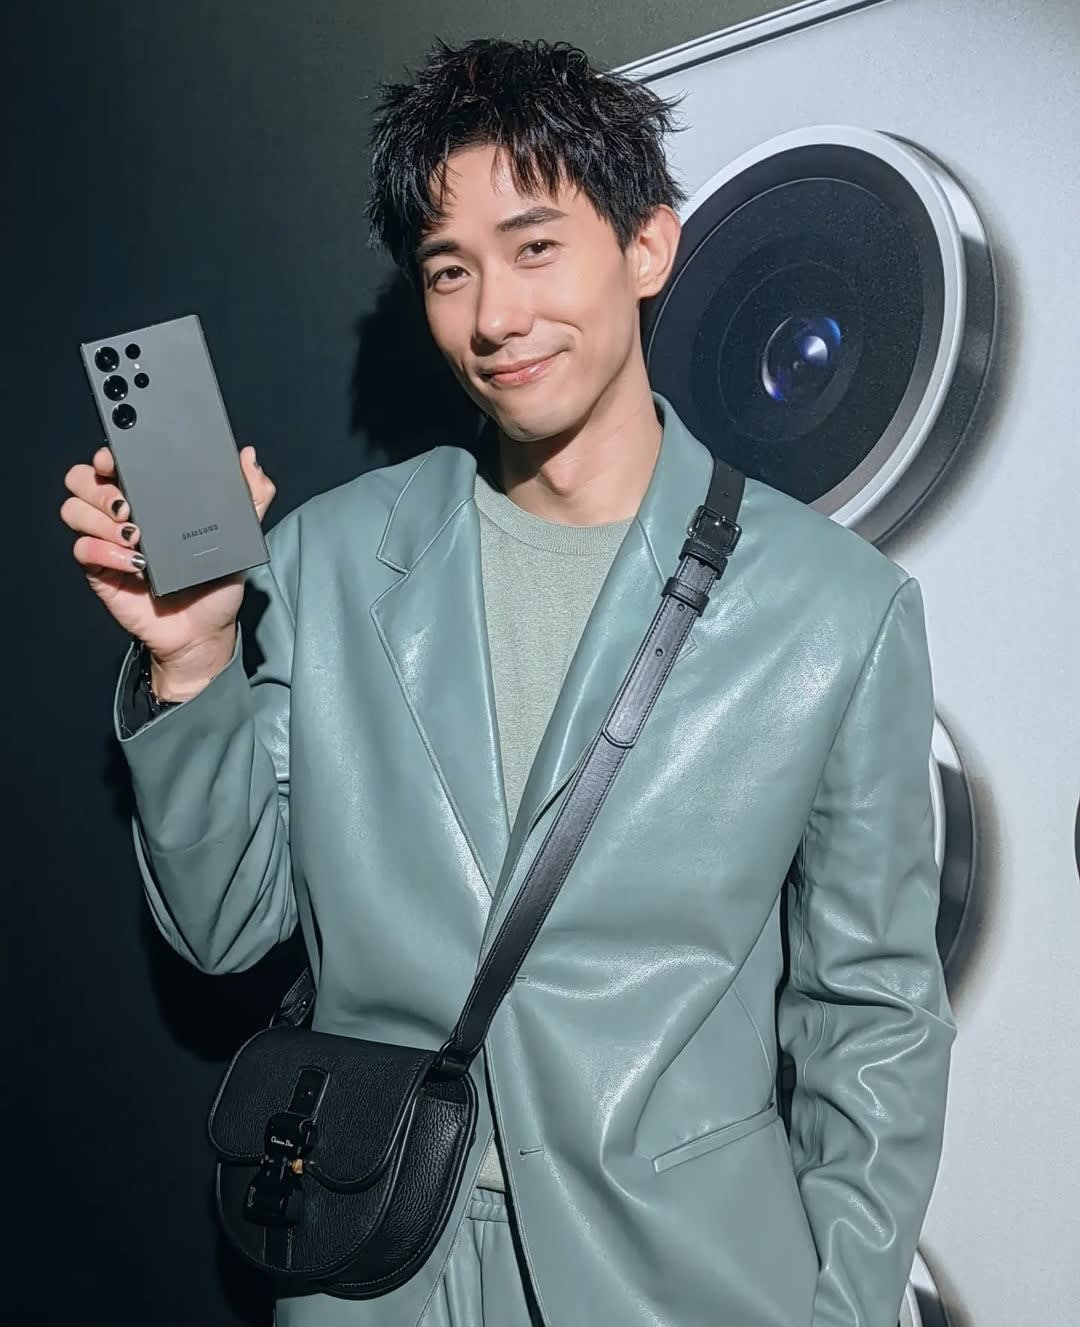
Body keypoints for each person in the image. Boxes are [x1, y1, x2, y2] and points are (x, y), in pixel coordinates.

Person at [60, 35, 956, 1327]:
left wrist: (849, 1308)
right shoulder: (326, 560)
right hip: (375, 1270)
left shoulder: (839, 611)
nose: (494, 317)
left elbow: (872, 1016)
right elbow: (224, 930)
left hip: (681, 1283)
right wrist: (193, 662)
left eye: (536, 247)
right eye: (449, 270)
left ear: (649, 247)